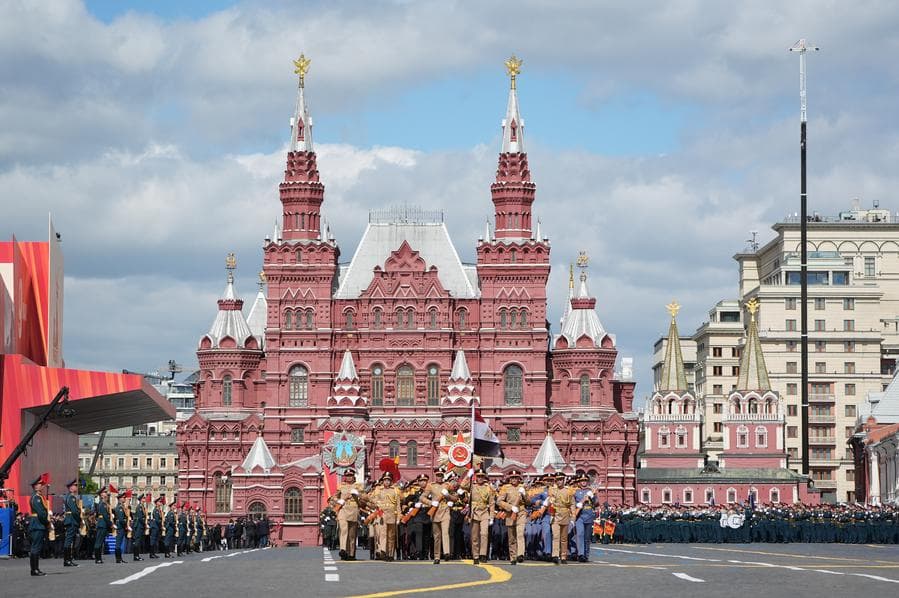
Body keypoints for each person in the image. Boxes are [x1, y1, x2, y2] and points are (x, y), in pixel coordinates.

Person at [421, 468, 459, 564]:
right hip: (435, 512)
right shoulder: (431, 486)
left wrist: (448, 496)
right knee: (436, 536)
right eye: (438, 475)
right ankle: (437, 556)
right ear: (435, 476)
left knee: (445, 532)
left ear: (443, 476)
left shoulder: (447, 485)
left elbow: (455, 498)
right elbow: (422, 497)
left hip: (445, 510)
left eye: (441, 475)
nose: (439, 477)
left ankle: (446, 553)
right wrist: (431, 502)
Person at [369, 472, 402, 561]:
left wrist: (399, 517)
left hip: (392, 515)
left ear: (391, 481)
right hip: (382, 514)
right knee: (383, 534)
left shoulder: (395, 490)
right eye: (385, 480)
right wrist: (376, 502)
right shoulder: (378, 489)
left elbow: (398, 505)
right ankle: (383, 550)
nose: (387, 482)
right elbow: (372, 499)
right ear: (383, 481)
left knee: (391, 536)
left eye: (388, 480)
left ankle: (390, 554)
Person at [496, 469, 526, 565]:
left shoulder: (523, 487)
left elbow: (529, 502)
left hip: (521, 512)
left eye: (516, 478)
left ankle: (520, 554)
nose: (514, 479)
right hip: (510, 514)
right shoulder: (505, 488)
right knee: (512, 537)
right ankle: (513, 557)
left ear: (519, 479)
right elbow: (499, 501)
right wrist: (510, 507)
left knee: (520, 533)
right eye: (512, 478)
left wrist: (525, 495)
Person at [335, 468, 364, 561]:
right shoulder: (341, 487)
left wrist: (358, 494)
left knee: (352, 534)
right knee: (343, 530)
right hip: (343, 510)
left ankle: (351, 553)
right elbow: (333, 497)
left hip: (353, 510)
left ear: (353, 476)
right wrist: (338, 500)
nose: (349, 477)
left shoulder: (358, 486)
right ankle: (343, 549)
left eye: (350, 476)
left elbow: (364, 498)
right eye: (347, 476)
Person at [468, 469, 494, 565]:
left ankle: (483, 554)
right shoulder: (472, 486)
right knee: (474, 536)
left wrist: (491, 517)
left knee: (484, 534)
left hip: (484, 512)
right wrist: (468, 476)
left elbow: (491, 503)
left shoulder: (488, 488)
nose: (480, 478)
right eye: (478, 476)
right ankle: (475, 555)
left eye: (482, 476)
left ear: (484, 477)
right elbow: (462, 486)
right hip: (474, 512)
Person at [548, 472, 573, 564]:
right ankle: (555, 555)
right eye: (558, 480)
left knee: (564, 538)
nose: (559, 482)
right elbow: (550, 503)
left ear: (564, 480)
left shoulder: (569, 491)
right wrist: (550, 513)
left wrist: (573, 518)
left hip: (565, 515)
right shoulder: (552, 490)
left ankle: (563, 556)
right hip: (555, 515)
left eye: (561, 480)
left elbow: (572, 504)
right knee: (555, 536)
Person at [28, 474, 50, 576]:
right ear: (35, 486)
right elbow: (41, 513)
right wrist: (46, 521)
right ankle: (34, 569)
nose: (42, 486)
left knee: (37, 546)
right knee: (35, 547)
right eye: (40, 484)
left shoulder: (39, 497)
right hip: (37, 524)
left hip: (38, 524)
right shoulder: (36, 498)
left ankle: (36, 568)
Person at [62, 478, 81, 567]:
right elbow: (74, 511)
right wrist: (79, 518)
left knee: (70, 540)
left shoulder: (70, 497)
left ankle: (68, 559)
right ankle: (67, 560)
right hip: (72, 519)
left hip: (71, 519)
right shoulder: (71, 497)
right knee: (69, 540)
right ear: (70, 488)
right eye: (75, 485)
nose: (76, 487)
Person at [93, 486, 111, 563]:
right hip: (102, 524)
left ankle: (98, 558)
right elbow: (105, 516)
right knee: (99, 542)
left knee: (99, 541)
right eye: (105, 493)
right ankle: (98, 558)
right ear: (102, 495)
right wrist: (110, 524)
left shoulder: (102, 503)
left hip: (101, 524)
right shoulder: (102, 504)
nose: (106, 494)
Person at [113, 489, 131, 563]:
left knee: (119, 543)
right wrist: (126, 525)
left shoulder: (122, 507)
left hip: (122, 527)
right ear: (120, 499)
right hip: (120, 527)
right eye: (123, 497)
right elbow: (121, 519)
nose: (124, 498)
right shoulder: (119, 508)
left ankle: (119, 558)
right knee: (118, 543)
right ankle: (118, 559)